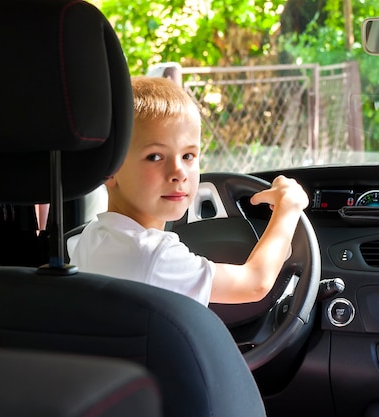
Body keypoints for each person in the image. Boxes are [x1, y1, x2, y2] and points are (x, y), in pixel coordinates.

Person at [69, 76, 309, 306]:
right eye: (155, 156)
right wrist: (288, 208)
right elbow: (255, 284)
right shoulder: (152, 255)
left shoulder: (91, 236)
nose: (178, 171)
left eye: (188, 156)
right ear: (109, 169)